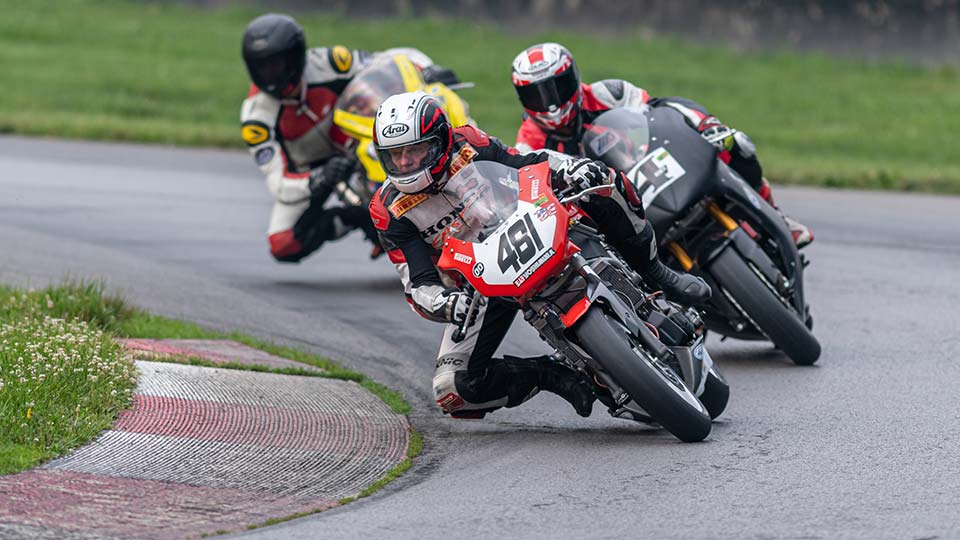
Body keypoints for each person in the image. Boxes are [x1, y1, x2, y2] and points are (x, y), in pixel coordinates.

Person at [368, 91, 710, 419]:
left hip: (533, 222)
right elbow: (417, 283)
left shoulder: (468, 143)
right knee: (452, 388)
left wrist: (571, 170)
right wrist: (448, 303)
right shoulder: (388, 209)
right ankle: (551, 373)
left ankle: (658, 273)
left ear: (439, 140)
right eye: (394, 155)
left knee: (605, 182)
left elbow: (527, 162)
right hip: (481, 280)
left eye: (414, 150)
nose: (404, 162)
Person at [511, 42, 813, 247]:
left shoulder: (608, 93)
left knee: (736, 144)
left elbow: (661, 110)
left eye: (557, 88)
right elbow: (539, 198)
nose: (551, 105)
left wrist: (704, 123)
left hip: (649, 165)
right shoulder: (527, 146)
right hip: (612, 207)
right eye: (538, 95)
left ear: (574, 79)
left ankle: (776, 217)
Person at [240, 13, 457, 261]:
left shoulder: (329, 63)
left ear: (296, 55)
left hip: (355, 141)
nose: (270, 74)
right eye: (262, 66)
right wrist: (317, 179)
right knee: (283, 243)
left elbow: (389, 61)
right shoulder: (255, 118)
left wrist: (426, 70)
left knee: (401, 164)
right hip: (311, 171)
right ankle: (355, 217)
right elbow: (278, 182)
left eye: (276, 64)